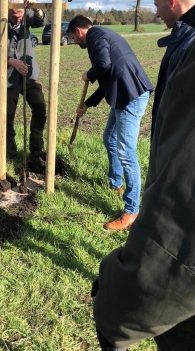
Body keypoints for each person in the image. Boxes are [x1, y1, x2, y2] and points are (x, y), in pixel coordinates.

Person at [92, 0, 195, 351]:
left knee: (120, 144)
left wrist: (120, 295)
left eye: (157, 5)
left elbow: (184, 202)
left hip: (130, 99)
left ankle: (130, 201)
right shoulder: (185, 38)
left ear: (172, 1)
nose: (154, 12)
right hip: (135, 99)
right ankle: (126, 190)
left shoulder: (100, 39)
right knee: (115, 142)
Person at [67, 15, 153, 231]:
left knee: (126, 152)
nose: (74, 42)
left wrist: (89, 74)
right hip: (123, 92)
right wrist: (87, 104)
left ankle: (132, 211)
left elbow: (103, 65)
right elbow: (108, 76)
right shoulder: (102, 35)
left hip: (130, 95)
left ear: (78, 31)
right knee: (109, 138)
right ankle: (116, 184)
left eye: (72, 38)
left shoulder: (96, 36)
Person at [0, 0, 47, 158]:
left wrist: (36, 8)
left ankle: (36, 149)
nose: (19, 18)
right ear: (7, 9)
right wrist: (13, 62)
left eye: (21, 14)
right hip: (7, 76)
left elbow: (40, 22)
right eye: (15, 15)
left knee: (40, 108)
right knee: (7, 116)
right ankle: (10, 152)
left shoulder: (26, 15)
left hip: (29, 73)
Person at [151, 0, 195, 139]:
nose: (156, 14)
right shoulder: (181, 38)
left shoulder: (190, 46)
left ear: (171, 2)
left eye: (157, 6)